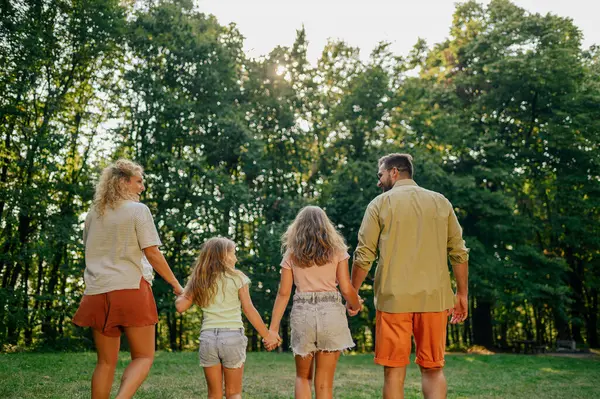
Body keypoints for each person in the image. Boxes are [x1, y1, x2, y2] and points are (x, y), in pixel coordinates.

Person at [350, 153, 469, 399]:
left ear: (394, 172)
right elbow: (458, 252)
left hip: (394, 301)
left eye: (380, 175)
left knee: (394, 372)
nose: (378, 181)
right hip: (434, 300)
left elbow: (363, 255)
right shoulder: (441, 202)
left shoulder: (379, 204)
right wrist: (462, 293)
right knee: (433, 369)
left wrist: (351, 293)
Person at [73, 159, 184, 399]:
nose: (142, 187)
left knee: (104, 363)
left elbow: (90, 247)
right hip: (130, 289)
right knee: (144, 357)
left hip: (96, 292)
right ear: (123, 182)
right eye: (139, 181)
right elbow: (152, 252)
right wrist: (176, 285)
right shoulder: (138, 210)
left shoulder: (94, 213)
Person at [267, 206, 362, 399]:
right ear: (326, 226)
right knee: (325, 384)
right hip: (331, 313)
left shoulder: (292, 254)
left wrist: (273, 328)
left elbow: (283, 293)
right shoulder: (337, 251)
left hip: (303, 314)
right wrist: (355, 304)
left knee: (303, 378)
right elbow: (345, 287)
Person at [175, 237, 280, 399]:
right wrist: (267, 335)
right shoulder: (237, 277)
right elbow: (249, 309)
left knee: (214, 394)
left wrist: (183, 292)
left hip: (208, 338)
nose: (236, 258)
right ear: (223, 256)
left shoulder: (199, 279)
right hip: (232, 337)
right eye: (233, 253)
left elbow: (181, 307)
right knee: (233, 393)